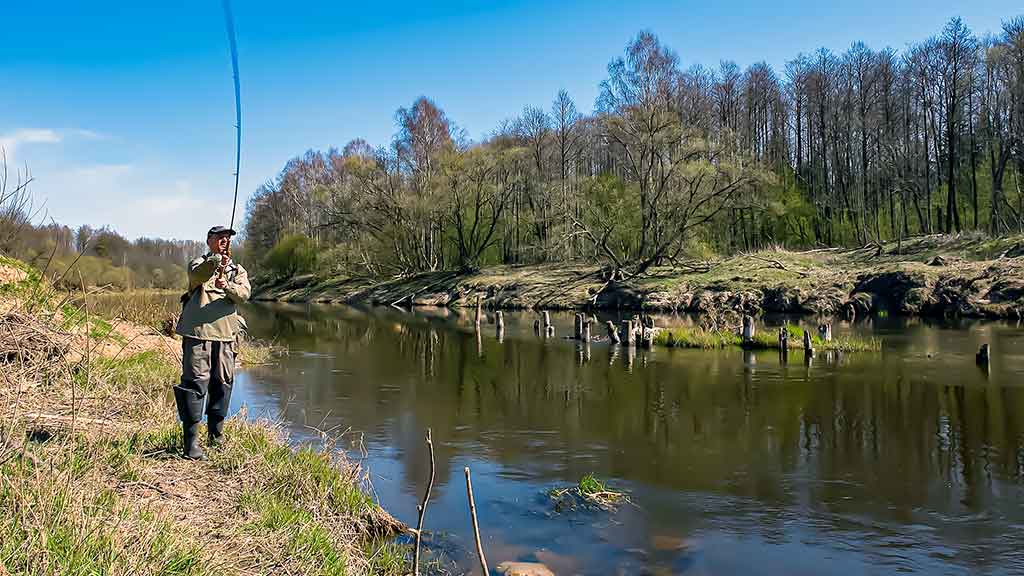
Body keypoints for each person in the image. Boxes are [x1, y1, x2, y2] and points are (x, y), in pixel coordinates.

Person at [174, 225, 250, 459]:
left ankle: (216, 438)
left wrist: (226, 285)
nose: (225, 241)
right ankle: (191, 445)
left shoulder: (238, 270)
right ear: (209, 241)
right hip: (198, 334)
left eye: (227, 239)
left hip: (227, 336)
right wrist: (216, 262)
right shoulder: (198, 263)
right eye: (219, 238)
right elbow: (197, 277)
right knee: (194, 385)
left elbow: (244, 295)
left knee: (222, 384)